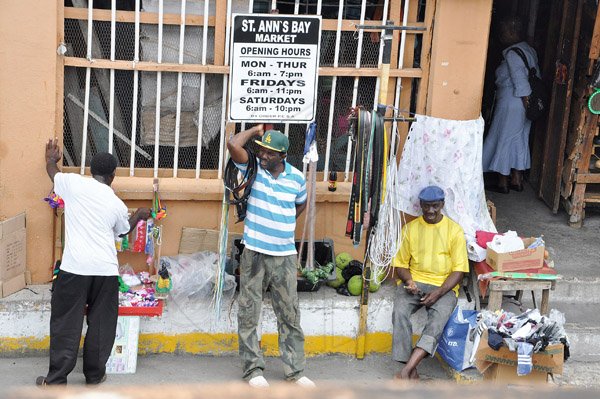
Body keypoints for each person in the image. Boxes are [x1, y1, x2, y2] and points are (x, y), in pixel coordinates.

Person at [37, 138, 151, 386]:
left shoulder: (73, 184)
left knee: (66, 323)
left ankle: (56, 381)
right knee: (101, 325)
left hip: (74, 269)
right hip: (105, 271)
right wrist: (140, 215)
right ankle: (94, 375)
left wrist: (50, 159)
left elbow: (53, 172)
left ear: (90, 171)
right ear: (113, 175)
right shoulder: (117, 204)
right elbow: (122, 232)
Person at [227, 125, 315, 388]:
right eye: (261, 151)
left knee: (289, 314)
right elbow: (233, 145)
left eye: (269, 153)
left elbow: (300, 204)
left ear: (283, 155)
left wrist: (283, 222)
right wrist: (255, 130)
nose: (263, 156)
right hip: (254, 252)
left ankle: (295, 371)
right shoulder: (252, 169)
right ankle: (253, 370)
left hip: (285, 256)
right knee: (249, 313)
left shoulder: (297, 178)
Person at [391, 186, 468, 380]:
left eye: (435, 206)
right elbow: (400, 264)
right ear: (421, 205)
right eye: (426, 206)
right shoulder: (410, 229)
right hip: (415, 283)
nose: (431, 211)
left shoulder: (454, 231)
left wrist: (439, 292)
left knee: (437, 322)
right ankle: (410, 367)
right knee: (399, 312)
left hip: (444, 287)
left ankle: (407, 370)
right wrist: (409, 281)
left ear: (442, 205)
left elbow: (459, 271)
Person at [482, 16, 541, 193]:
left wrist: (525, 102)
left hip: (513, 100)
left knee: (504, 138)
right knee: (520, 140)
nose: (501, 35)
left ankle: (502, 183)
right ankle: (516, 180)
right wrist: (529, 107)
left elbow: (520, 80)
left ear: (513, 31)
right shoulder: (528, 50)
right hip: (524, 103)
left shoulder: (512, 53)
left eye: (504, 31)